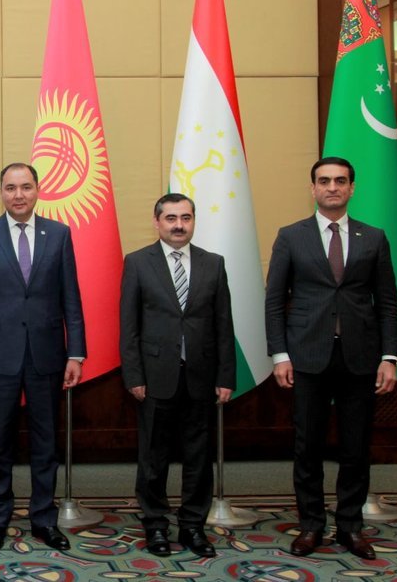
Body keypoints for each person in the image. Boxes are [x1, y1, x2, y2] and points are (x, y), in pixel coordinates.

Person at [265, 156, 397, 560]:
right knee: (307, 446)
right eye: (324, 181)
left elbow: (388, 302)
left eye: (340, 181)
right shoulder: (291, 236)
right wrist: (280, 354)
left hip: (361, 358)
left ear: (352, 188)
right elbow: (274, 301)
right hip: (306, 357)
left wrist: (389, 356)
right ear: (313, 188)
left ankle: (350, 526)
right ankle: (311, 525)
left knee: (356, 447)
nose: (332, 187)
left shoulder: (373, 237)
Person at [0, 162, 85, 552]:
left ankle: (44, 519)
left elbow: (71, 299)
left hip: (47, 355)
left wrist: (76, 352)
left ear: (37, 190)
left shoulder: (59, 234)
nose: (19, 195)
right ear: (1, 192)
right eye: (11, 188)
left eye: (26, 187)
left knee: (46, 443)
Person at [119, 193, 235, 558]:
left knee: (199, 457)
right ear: (157, 222)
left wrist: (226, 376)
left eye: (185, 217)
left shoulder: (213, 263)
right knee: (153, 458)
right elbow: (129, 326)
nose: (179, 225)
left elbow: (223, 325)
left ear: (194, 221)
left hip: (201, 376)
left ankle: (192, 527)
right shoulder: (138, 262)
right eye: (171, 218)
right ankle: (155, 524)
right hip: (155, 376)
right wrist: (134, 375)